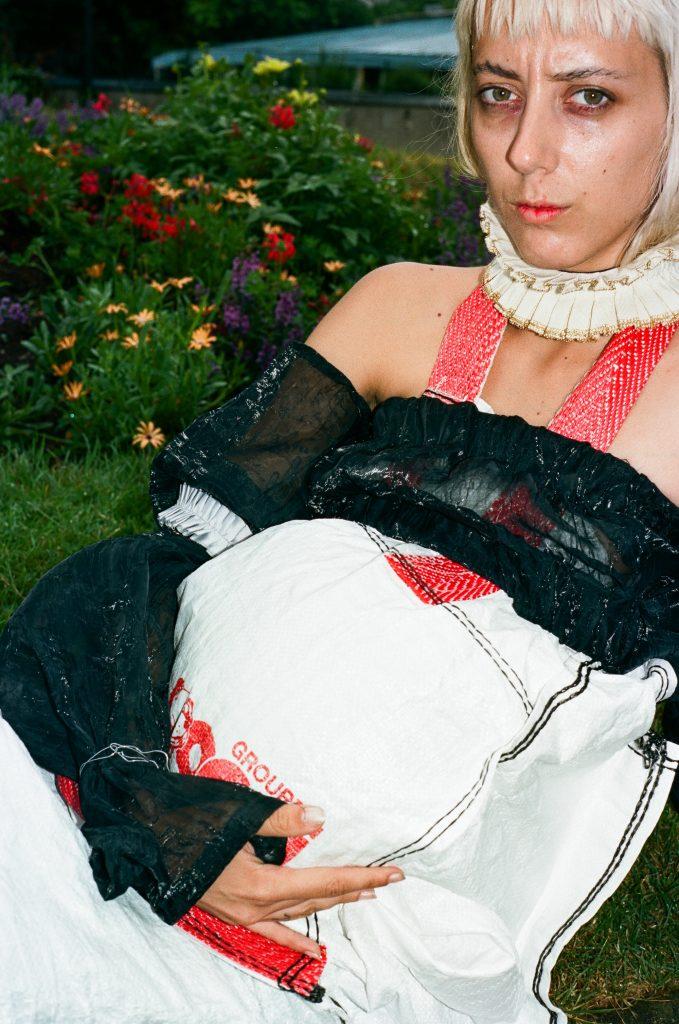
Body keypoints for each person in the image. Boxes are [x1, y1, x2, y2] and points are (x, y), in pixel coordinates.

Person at [1, 0, 678, 1022]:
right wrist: (149, 801)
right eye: (498, 94)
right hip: (130, 800)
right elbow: (165, 565)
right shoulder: (396, 303)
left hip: (352, 917)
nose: (526, 152)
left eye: (588, 98)